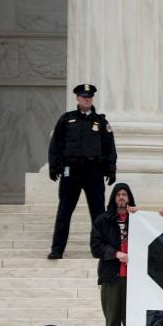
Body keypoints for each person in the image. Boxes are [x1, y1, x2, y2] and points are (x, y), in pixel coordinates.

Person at [48, 83, 117, 260]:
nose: (87, 99)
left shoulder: (101, 122)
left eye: (89, 97)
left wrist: (111, 169)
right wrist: (54, 165)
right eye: (84, 97)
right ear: (77, 98)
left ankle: (100, 249)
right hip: (71, 170)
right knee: (64, 211)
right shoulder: (66, 119)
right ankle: (57, 249)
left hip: (93, 171)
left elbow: (109, 147)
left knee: (99, 213)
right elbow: (56, 144)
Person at [90, 182, 137, 326]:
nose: (122, 197)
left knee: (131, 317)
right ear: (113, 198)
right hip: (111, 277)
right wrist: (115, 253)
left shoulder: (138, 220)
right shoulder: (103, 220)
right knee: (112, 317)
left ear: (129, 198)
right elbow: (95, 247)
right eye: (118, 194)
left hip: (134, 278)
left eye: (125, 194)